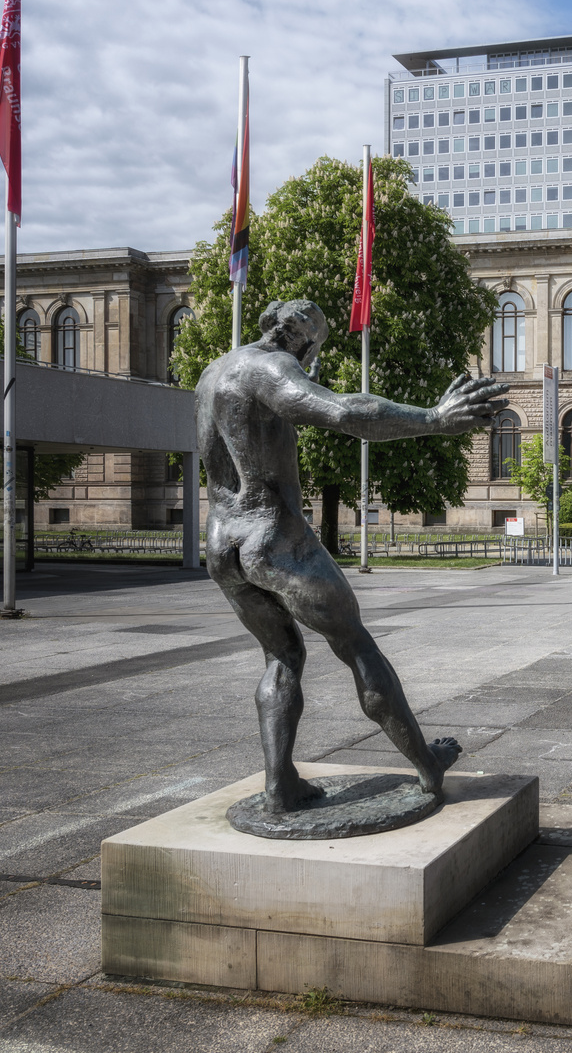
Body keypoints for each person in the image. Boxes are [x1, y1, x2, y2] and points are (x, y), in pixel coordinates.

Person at [195, 299, 508, 812]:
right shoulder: (272, 367)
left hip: (222, 542)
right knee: (358, 647)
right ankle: (428, 766)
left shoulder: (213, 372)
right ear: (305, 342)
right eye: (314, 342)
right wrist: (433, 417)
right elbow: (343, 411)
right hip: (274, 538)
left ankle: (280, 785)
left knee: (281, 657)